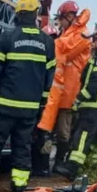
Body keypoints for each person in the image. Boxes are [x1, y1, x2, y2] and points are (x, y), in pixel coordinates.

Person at [0, 0, 56, 192]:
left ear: (18, 14)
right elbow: (48, 78)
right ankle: (19, 186)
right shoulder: (47, 42)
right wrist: (42, 106)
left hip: (3, 106)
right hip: (29, 109)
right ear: (36, 13)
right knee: (22, 147)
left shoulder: (7, 37)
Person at [55, 23, 97, 180]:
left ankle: (72, 168)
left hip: (93, 106)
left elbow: (95, 82)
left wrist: (79, 98)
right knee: (93, 137)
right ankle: (90, 166)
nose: (94, 41)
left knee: (82, 136)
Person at [36, 0, 92, 175]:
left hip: (68, 92)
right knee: (48, 128)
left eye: (61, 19)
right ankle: (46, 165)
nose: (59, 23)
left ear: (69, 16)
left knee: (62, 130)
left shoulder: (81, 35)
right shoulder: (70, 33)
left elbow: (63, 51)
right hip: (58, 90)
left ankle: (59, 163)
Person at [31, 24, 61, 176]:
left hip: (49, 102)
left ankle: (42, 167)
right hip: (42, 101)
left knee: (44, 136)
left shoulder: (56, 56)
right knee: (39, 135)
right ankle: (39, 166)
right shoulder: (45, 56)